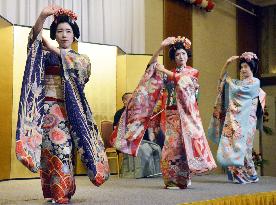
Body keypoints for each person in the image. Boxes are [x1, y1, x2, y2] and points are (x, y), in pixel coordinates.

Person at [15, 6, 109, 204]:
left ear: (75, 34)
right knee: (47, 152)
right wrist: (42, 16)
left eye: (68, 31)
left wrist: (52, 48)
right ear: (54, 34)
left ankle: (63, 193)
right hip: (45, 110)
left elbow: (81, 74)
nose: (64, 35)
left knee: (63, 150)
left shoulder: (80, 59)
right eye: (59, 31)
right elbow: (34, 39)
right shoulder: (45, 54)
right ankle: (51, 192)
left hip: (67, 111)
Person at [111, 36, 216, 188]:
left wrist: (165, 70)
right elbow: (151, 67)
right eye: (178, 54)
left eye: (183, 54)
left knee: (184, 148)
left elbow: (184, 82)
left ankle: (183, 178)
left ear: (187, 56)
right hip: (171, 115)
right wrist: (161, 48)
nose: (181, 57)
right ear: (174, 57)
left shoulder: (192, 72)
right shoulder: (168, 73)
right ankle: (171, 180)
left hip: (186, 116)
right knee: (171, 148)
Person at [208, 52, 266, 184]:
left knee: (245, 147)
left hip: (247, 120)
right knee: (234, 145)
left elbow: (239, 91)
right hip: (235, 119)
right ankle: (241, 174)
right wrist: (227, 63)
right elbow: (222, 79)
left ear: (252, 68)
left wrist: (230, 83)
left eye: (246, 66)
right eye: (242, 67)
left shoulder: (255, 82)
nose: (243, 69)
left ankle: (250, 173)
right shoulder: (238, 82)